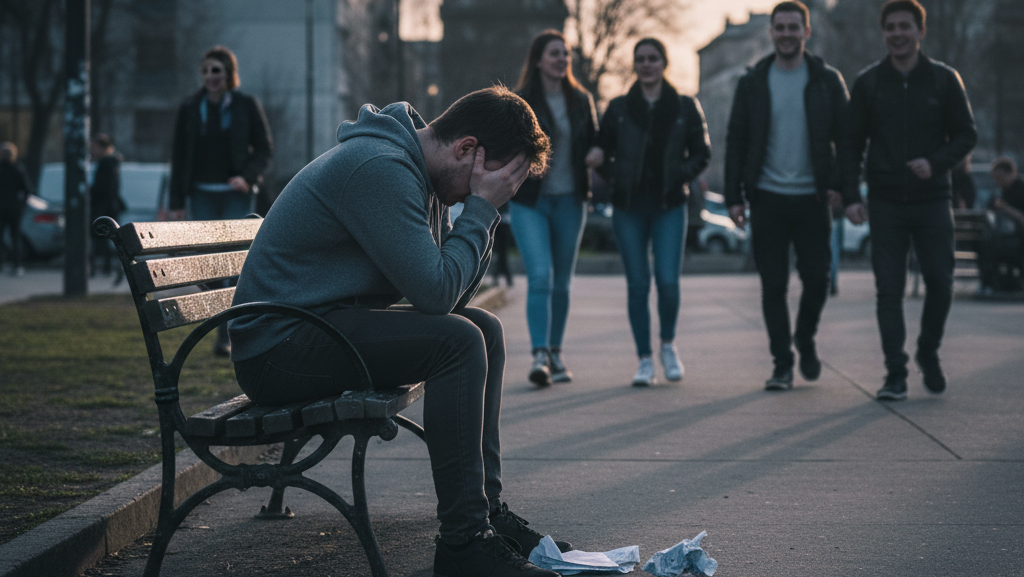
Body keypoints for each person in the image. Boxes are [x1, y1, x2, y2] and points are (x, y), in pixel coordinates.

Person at [228, 86, 566, 577]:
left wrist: (481, 214)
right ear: (466, 149)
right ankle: (464, 544)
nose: (491, 192)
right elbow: (434, 296)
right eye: (495, 178)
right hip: (277, 349)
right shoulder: (380, 168)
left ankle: (485, 516)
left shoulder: (415, 170)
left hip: (318, 328)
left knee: (482, 330)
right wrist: (482, 210)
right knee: (460, 340)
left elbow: (450, 297)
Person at [842, 0, 977, 401]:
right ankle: (895, 373)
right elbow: (850, 144)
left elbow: (966, 136)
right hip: (885, 200)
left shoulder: (944, 80)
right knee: (889, 289)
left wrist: (935, 164)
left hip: (932, 199)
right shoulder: (869, 83)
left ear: (921, 31)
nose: (897, 34)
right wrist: (851, 195)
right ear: (883, 34)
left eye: (905, 26)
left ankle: (927, 351)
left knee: (940, 282)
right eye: (890, 28)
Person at [724, 1, 849, 391]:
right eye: (780, 27)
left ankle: (805, 338)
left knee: (817, 281)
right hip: (768, 199)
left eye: (794, 27)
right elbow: (737, 141)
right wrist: (734, 197)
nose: (787, 34)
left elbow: (845, 140)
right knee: (773, 286)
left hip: (813, 199)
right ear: (772, 32)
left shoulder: (827, 80)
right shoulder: (753, 81)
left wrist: (842, 186)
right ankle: (782, 363)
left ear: (806, 32)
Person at [596, 38, 710, 387]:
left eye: (653, 59)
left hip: (669, 205)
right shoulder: (617, 108)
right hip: (629, 207)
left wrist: (679, 177)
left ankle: (668, 346)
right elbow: (601, 153)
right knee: (638, 285)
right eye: (641, 59)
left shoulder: (685, 107)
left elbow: (702, 153)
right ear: (635, 65)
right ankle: (644, 359)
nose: (646, 64)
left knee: (668, 281)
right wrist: (615, 178)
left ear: (664, 64)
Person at [510, 30, 601, 387]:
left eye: (565, 54)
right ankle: (539, 355)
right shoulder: (521, 101)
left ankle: (556, 353)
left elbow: (595, 139)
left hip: (571, 200)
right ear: (538, 60)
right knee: (540, 277)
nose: (562, 59)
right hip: (531, 201)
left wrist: (598, 153)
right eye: (554, 53)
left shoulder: (581, 99)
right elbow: (507, 144)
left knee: (562, 283)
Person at [169, 45, 273, 356]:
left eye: (217, 71)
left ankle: (228, 333)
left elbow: (265, 149)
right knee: (209, 264)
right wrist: (175, 201)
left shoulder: (245, 104)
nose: (211, 77)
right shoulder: (190, 107)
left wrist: (247, 177)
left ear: (228, 73)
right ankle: (220, 324)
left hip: (235, 196)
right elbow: (178, 157)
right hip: (200, 194)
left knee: (233, 263)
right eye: (206, 71)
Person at [977, 157, 1024, 293]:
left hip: (1019, 240)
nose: (997, 181)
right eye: (995, 178)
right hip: (1003, 238)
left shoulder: (1020, 191)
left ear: (1011, 173)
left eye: (1000, 177)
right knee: (984, 245)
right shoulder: (1001, 192)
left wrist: (1005, 208)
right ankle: (990, 283)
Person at [89, 134, 125, 281]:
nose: (92, 150)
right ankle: (108, 268)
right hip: (109, 207)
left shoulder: (106, 164)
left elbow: (103, 188)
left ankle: (106, 268)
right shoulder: (112, 163)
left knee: (101, 237)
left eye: (94, 147)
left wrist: (90, 191)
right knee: (108, 238)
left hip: (103, 208)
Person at [0, 142, 31, 277]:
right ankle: (17, 265)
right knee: (15, 237)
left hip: (1, 208)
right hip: (15, 209)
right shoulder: (18, 169)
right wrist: (22, 205)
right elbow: (27, 190)